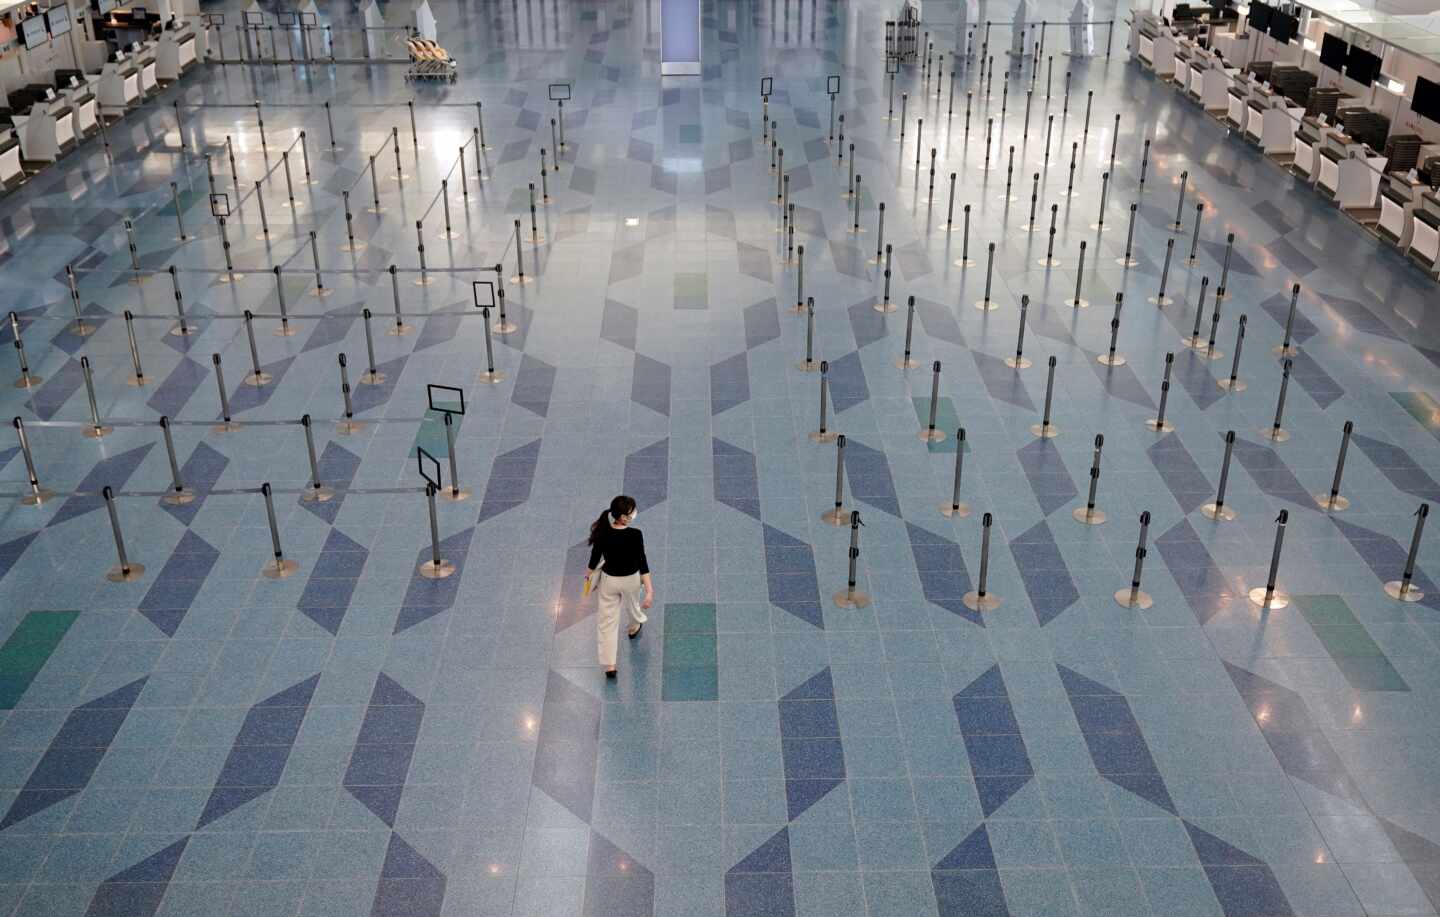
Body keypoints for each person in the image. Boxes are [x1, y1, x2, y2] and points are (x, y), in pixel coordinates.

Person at [583, 495, 653, 678]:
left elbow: (594, 558)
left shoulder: (603, 533)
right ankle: (634, 626)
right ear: (623, 517)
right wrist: (649, 590)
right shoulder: (635, 535)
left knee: (607, 622)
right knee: (633, 606)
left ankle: (610, 665)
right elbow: (642, 563)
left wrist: (589, 575)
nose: (634, 514)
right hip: (630, 580)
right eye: (631, 512)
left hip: (609, 581)